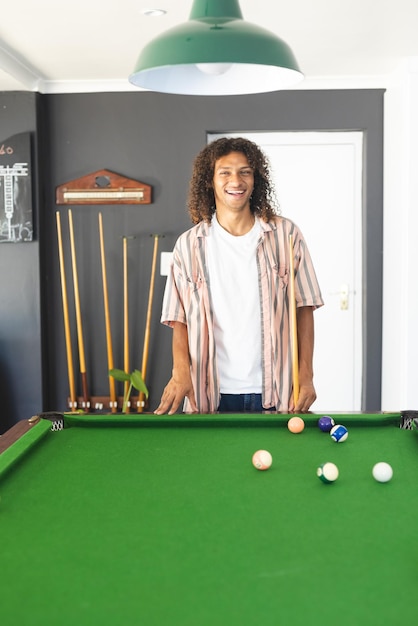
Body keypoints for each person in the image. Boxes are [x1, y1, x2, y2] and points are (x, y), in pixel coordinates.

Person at [155, 137, 324, 415]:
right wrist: (180, 372)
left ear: (255, 179)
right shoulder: (188, 246)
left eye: (245, 171)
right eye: (225, 172)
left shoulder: (287, 236)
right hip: (209, 394)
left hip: (278, 393)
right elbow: (179, 319)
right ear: (210, 181)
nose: (236, 180)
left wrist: (306, 377)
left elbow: (304, 308)